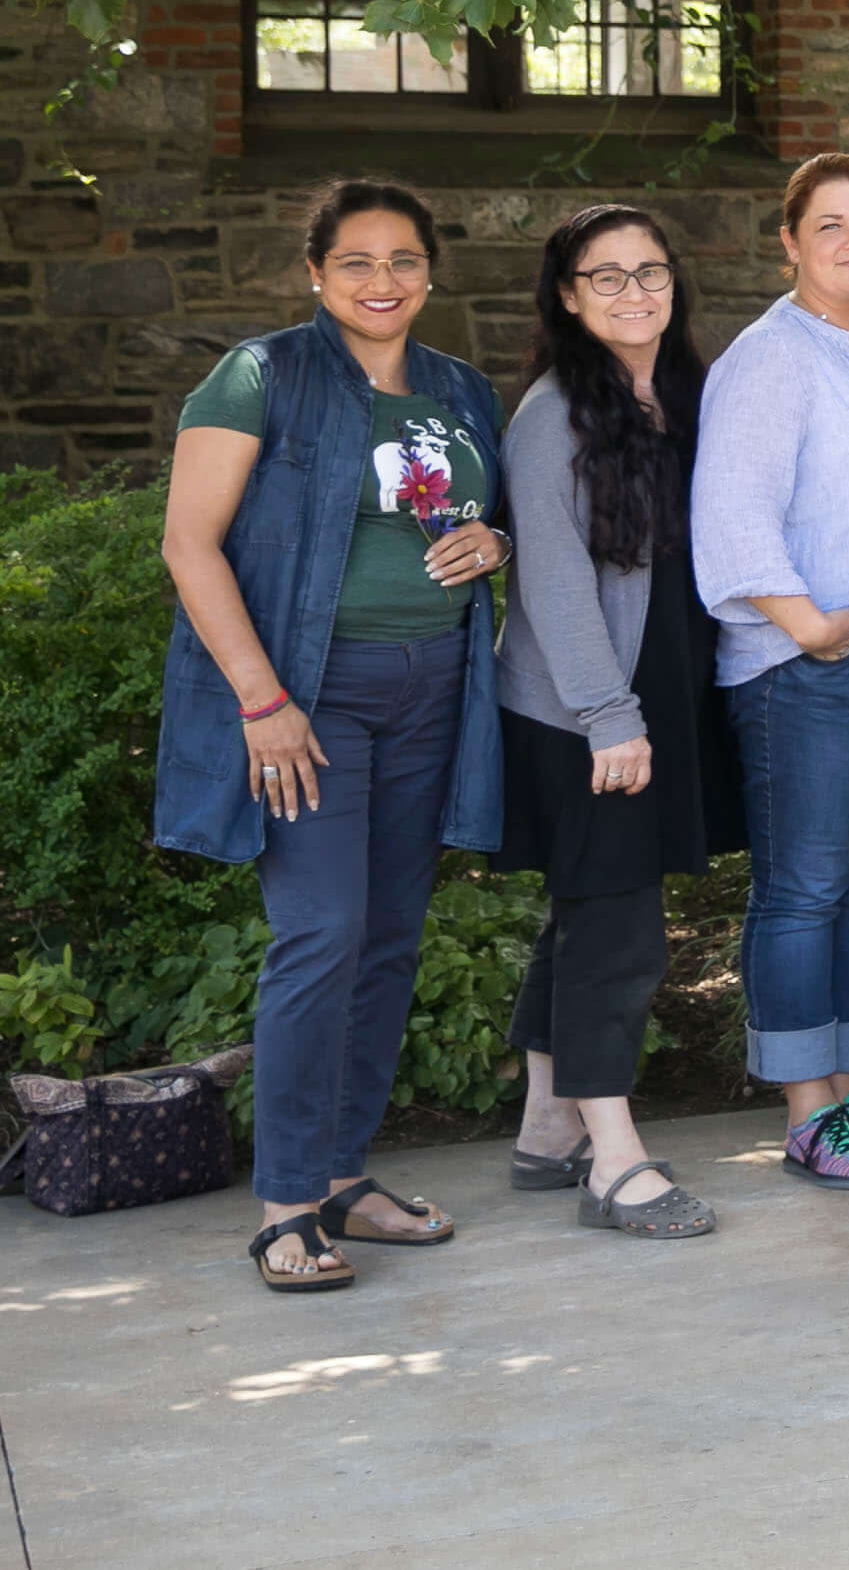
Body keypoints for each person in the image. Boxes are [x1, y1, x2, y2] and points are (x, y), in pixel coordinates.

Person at [158, 182, 508, 1293]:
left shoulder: (461, 390)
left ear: (430, 274)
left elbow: (465, 522)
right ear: (315, 273)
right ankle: (286, 1203)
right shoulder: (260, 375)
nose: (381, 281)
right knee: (321, 932)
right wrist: (264, 700)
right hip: (310, 698)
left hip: (436, 690)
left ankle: (346, 1177)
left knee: (391, 937)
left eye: (403, 260)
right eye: (355, 261)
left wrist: (488, 544)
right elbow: (189, 545)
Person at [694, 154, 849, 1191]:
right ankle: (804, 1111)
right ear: (790, 242)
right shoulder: (768, 358)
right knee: (799, 891)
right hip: (805, 665)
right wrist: (809, 627)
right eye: (828, 224)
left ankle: (842, 1093)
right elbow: (732, 514)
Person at [494, 207, 738, 1239]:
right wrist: (608, 718)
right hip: (584, 709)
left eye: (651, 271)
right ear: (566, 295)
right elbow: (551, 582)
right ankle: (614, 1161)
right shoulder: (554, 414)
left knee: (586, 910)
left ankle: (548, 1127)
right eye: (607, 277)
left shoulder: (682, 395)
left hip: (663, 690)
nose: (634, 292)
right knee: (619, 930)